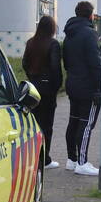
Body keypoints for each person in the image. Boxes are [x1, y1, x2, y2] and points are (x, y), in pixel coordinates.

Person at [62, 1, 101, 176]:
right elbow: (95, 63)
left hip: (73, 84)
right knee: (86, 124)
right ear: (90, 15)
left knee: (74, 122)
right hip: (88, 87)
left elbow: (66, 61)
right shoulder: (89, 34)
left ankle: (71, 159)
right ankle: (82, 162)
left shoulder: (68, 34)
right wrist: (99, 88)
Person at [22, 15, 63, 169]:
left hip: (33, 89)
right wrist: (56, 86)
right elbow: (56, 68)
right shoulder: (53, 44)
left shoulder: (30, 43)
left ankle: (32, 156)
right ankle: (45, 159)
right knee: (47, 126)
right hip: (48, 91)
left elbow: (25, 63)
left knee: (34, 124)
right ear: (51, 29)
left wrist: (32, 77)